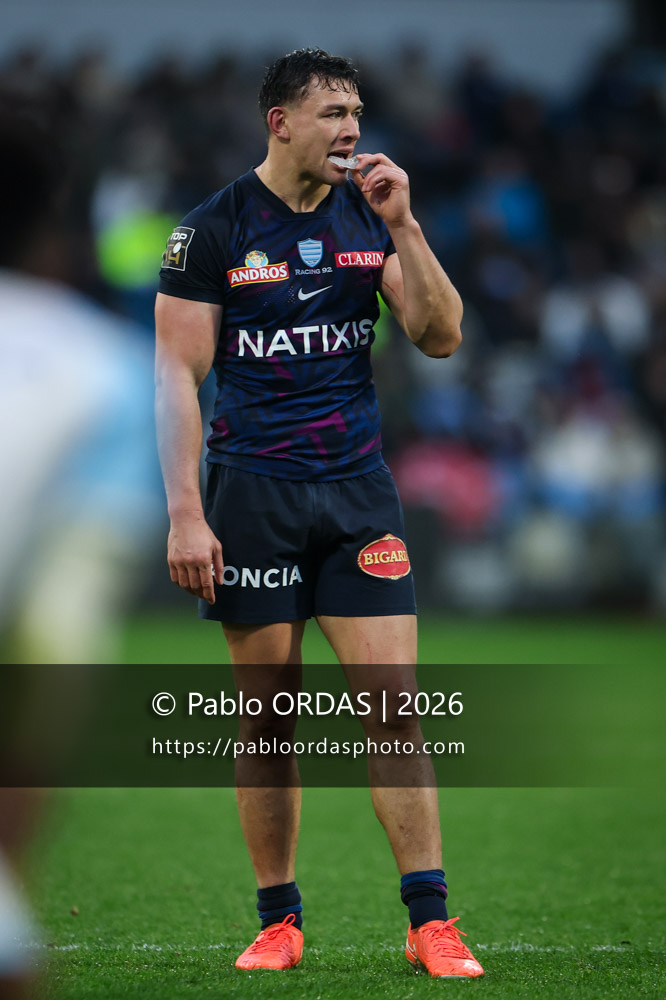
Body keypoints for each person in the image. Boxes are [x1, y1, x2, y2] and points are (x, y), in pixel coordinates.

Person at [155, 48, 483, 979]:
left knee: (395, 714)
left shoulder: (367, 219)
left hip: (356, 495)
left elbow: (442, 335)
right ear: (280, 122)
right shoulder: (211, 231)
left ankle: (432, 922)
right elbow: (179, 378)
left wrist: (407, 227)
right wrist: (187, 513)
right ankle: (278, 921)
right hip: (251, 495)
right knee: (267, 721)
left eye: (357, 112)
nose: (351, 129)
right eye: (333, 112)